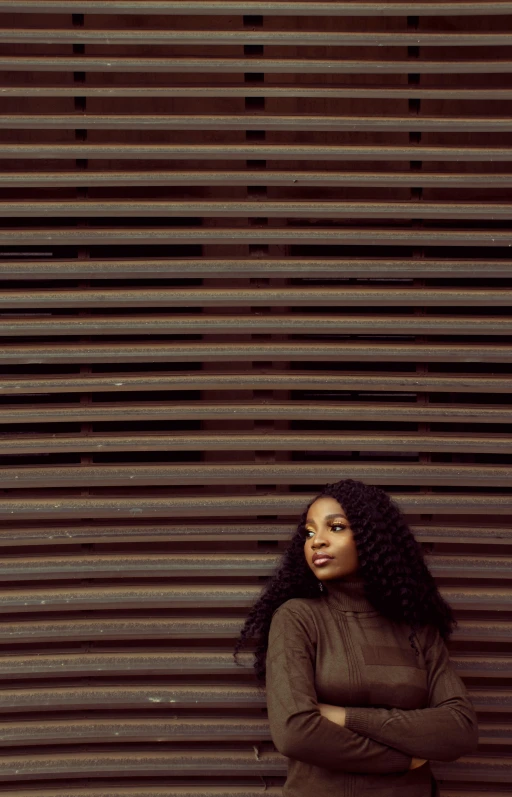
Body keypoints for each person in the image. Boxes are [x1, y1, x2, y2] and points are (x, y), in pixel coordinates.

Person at [234, 478, 478, 796]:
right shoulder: (297, 618)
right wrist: (404, 760)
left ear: (371, 537)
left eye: (335, 527)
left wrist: (345, 716)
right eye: (309, 532)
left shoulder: (417, 630)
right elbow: (296, 733)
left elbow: (459, 731)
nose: (316, 542)